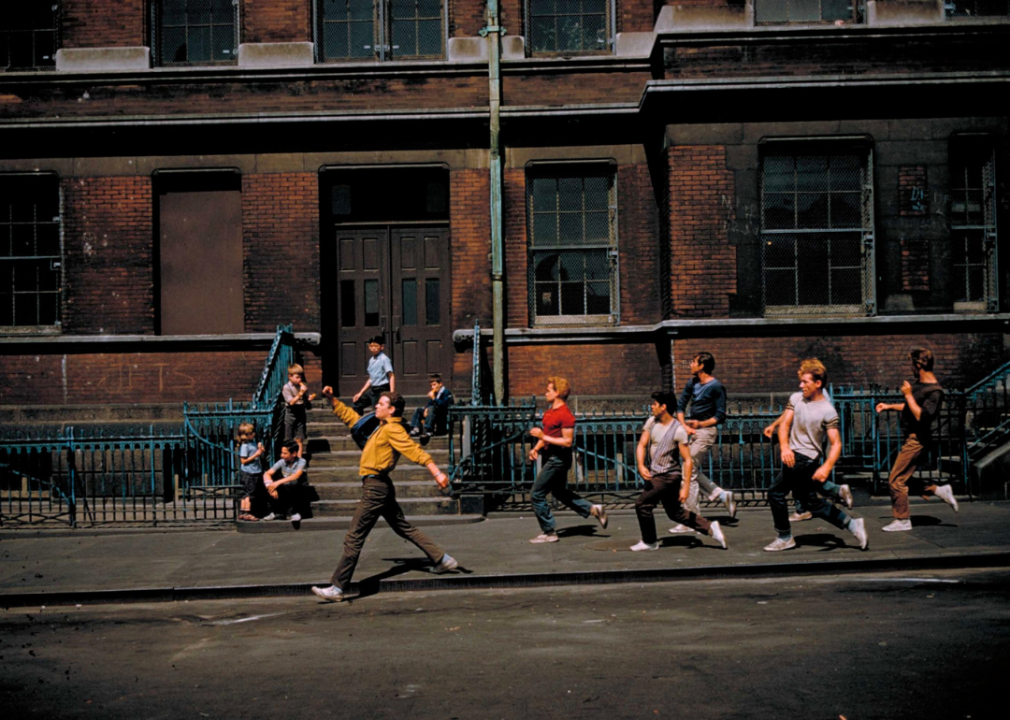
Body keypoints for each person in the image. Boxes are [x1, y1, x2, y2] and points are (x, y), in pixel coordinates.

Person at [311, 388, 457, 603]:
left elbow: (412, 449)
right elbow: (353, 419)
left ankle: (337, 587)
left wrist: (435, 471)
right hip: (380, 486)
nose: (376, 406)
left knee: (354, 536)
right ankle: (442, 559)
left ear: (392, 410)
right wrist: (332, 400)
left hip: (375, 488)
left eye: (381, 404)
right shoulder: (380, 427)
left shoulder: (393, 429)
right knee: (402, 526)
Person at [764, 358, 868, 552]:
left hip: (805, 458)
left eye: (805, 382)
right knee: (810, 501)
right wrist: (785, 447)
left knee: (775, 492)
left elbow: (836, 443)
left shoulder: (828, 411)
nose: (800, 385)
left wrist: (827, 466)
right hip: (793, 455)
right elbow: (785, 424)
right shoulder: (796, 398)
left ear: (818, 383)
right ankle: (852, 523)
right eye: (801, 381)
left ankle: (785, 537)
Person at [632, 391, 727, 551]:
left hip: (669, 476)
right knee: (675, 513)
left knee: (642, 504)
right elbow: (641, 445)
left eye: (655, 404)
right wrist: (641, 465)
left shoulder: (678, 430)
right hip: (657, 473)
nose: (652, 406)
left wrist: (685, 487)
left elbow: (688, 460)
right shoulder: (651, 422)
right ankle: (710, 528)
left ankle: (649, 542)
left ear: (663, 407)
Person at [876, 348, 956, 532]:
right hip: (912, 437)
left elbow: (921, 415)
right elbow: (911, 407)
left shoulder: (935, 391)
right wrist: (889, 406)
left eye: (912, 364)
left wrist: (908, 394)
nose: (910, 368)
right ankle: (937, 490)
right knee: (901, 478)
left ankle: (902, 520)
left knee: (895, 480)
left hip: (918, 439)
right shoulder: (920, 385)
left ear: (918, 365)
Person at [526, 377, 608, 543]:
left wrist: (542, 436)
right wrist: (536, 448)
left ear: (557, 393)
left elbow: (567, 441)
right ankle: (593, 509)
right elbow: (549, 435)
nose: (545, 393)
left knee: (536, 494)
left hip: (559, 459)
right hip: (552, 456)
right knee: (559, 492)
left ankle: (549, 532)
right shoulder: (550, 412)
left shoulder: (565, 415)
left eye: (549, 390)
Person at [671, 352, 735, 534]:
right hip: (690, 430)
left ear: (702, 366)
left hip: (706, 431)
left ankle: (691, 519)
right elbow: (681, 405)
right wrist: (685, 426)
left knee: (688, 473)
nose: (690, 364)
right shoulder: (692, 383)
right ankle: (720, 495)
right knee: (690, 469)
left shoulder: (716, 387)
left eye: (693, 362)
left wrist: (700, 424)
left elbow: (720, 415)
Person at [763, 409, 852, 521]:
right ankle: (803, 509)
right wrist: (775, 425)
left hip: (805, 451)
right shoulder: (804, 398)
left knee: (780, 491)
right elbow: (790, 413)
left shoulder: (817, 400)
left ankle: (835, 494)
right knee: (803, 482)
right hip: (805, 450)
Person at [263, 440, 308, 525]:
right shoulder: (282, 462)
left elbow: (296, 476)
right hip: (285, 488)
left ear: (294, 454)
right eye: (281, 453)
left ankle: (295, 512)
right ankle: (275, 512)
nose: (282, 455)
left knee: (294, 483)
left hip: (298, 489)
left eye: (285, 453)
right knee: (268, 484)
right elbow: (267, 473)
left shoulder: (301, 461)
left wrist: (277, 483)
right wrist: (270, 486)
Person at [353, 335, 395, 415]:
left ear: (381, 347)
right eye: (371, 346)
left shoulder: (384, 359)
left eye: (376, 346)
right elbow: (371, 379)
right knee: (357, 404)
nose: (373, 348)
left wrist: (391, 393)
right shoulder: (371, 360)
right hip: (373, 390)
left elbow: (391, 376)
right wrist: (360, 393)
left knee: (376, 412)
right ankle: (359, 425)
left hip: (382, 389)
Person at [282, 364, 316, 459]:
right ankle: (288, 459)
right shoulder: (286, 388)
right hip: (291, 413)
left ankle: (299, 459)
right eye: (297, 377)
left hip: (300, 412)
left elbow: (304, 399)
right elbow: (291, 402)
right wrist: (300, 393)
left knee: (299, 438)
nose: (299, 380)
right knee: (288, 438)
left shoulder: (302, 386)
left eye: (300, 377)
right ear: (290, 376)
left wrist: (308, 398)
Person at [409, 373, 454, 440]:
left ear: (440, 384)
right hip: (433, 412)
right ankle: (416, 428)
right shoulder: (435, 393)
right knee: (418, 410)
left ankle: (428, 430)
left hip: (442, 413)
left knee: (431, 409)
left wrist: (434, 398)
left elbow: (444, 405)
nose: (432, 387)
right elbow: (429, 403)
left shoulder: (446, 393)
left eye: (434, 385)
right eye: (431, 385)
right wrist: (425, 409)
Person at [236, 422, 266, 521]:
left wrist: (259, 448)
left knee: (247, 493)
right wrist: (256, 455)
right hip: (249, 472)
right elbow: (243, 461)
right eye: (251, 432)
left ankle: (243, 511)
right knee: (250, 493)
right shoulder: (245, 446)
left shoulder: (253, 442)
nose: (254, 434)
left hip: (255, 470)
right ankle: (247, 512)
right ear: (246, 435)